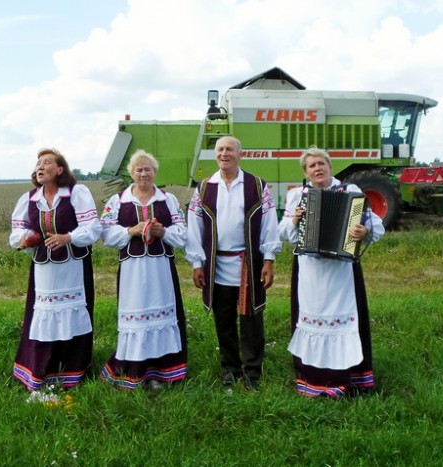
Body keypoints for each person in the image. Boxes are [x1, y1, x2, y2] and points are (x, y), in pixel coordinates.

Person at [277, 146, 385, 398]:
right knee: (312, 318)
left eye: (321, 163)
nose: (317, 168)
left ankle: (346, 379)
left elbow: (373, 226)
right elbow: (283, 233)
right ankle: (314, 379)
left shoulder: (350, 192)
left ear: (330, 166)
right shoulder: (297, 196)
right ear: (306, 171)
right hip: (310, 272)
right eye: (312, 165)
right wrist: (294, 220)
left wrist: (364, 232)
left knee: (343, 318)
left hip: (341, 272)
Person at [186, 136, 281, 390]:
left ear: (240, 154)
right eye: (220, 150)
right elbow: (194, 228)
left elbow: (270, 224)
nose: (224, 154)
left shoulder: (257, 185)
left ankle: (252, 373)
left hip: (247, 263)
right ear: (215, 155)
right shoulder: (205, 188)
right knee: (224, 320)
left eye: (229, 149)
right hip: (216, 265)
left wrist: (268, 259)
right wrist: (197, 263)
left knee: (251, 320)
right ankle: (230, 369)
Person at [10, 148, 103, 391]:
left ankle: (73, 369)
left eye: (47, 162)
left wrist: (67, 237)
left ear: (60, 170)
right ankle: (41, 369)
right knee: (44, 314)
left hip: (73, 266)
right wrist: (25, 239)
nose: (40, 166)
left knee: (73, 314)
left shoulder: (76, 194)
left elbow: (92, 228)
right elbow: (16, 234)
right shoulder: (29, 199)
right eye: (38, 163)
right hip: (44, 271)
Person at [99, 150, 188, 390]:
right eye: (139, 169)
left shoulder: (167, 200)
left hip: (160, 268)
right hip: (132, 269)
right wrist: (130, 231)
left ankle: (162, 371)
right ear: (132, 174)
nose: (144, 173)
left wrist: (164, 232)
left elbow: (183, 232)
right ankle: (134, 370)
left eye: (148, 169)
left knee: (160, 314)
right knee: (136, 314)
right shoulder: (119, 200)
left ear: (155, 172)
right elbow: (105, 233)